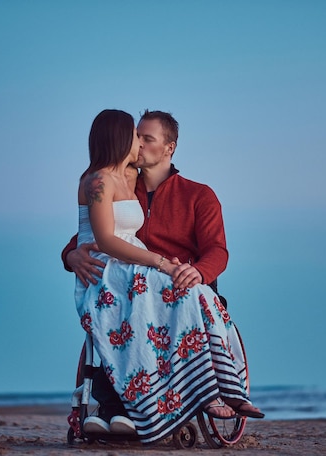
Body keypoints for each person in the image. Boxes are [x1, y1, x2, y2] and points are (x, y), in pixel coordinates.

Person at [72, 109, 262, 444]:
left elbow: (218, 251)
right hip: (133, 280)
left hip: (179, 280)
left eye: (148, 138)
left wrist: (197, 271)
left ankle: (215, 387)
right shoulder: (123, 182)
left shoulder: (198, 195)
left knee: (189, 295)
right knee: (132, 310)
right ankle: (124, 406)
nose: (140, 145)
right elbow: (88, 236)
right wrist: (70, 256)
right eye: (137, 136)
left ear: (169, 147)